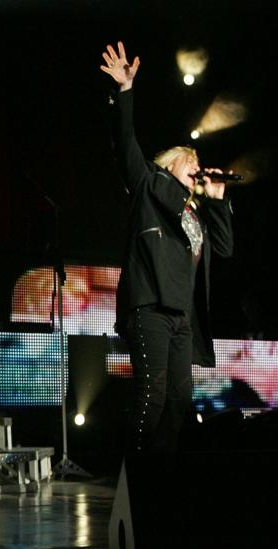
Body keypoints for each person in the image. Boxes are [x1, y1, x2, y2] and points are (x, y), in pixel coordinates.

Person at [101, 42, 234, 456]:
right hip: (150, 308)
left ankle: (163, 477)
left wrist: (217, 200)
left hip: (182, 319)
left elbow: (224, 249)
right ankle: (133, 474)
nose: (196, 166)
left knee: (179, 404)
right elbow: (125, 143)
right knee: (152, 396)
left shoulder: (194, 213)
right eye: (188, 162)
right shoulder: (148, 187)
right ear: (169, 165)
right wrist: (124, 93)